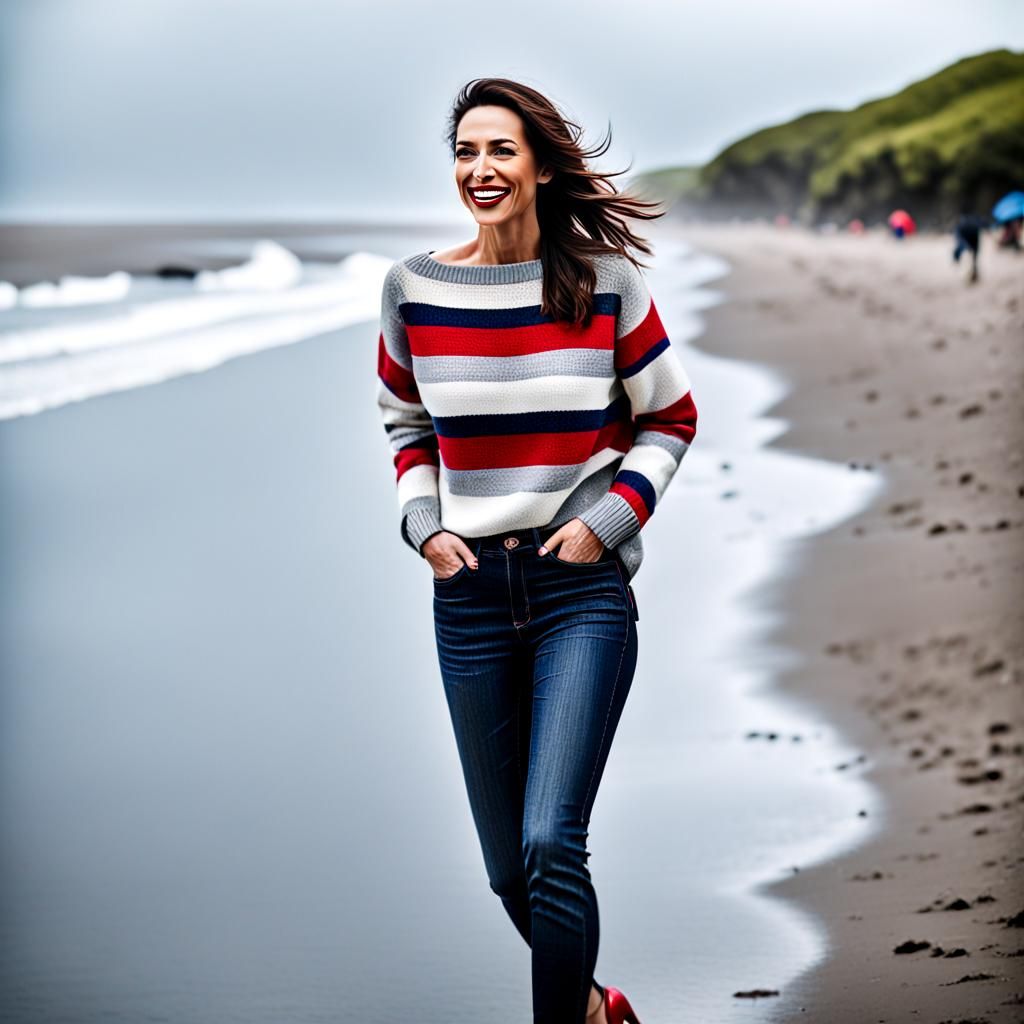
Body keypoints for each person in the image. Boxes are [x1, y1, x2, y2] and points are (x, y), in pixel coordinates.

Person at [375, 77, 697, 1024]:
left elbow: (671, 416)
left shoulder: (605, 285)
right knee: (506, 872)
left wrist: (608, 521)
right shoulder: (414, 288)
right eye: (466, 153)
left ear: (542, 166)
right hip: (468, 596)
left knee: (552, 841)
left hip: (578, 593)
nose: (480, 170)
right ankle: (600, 1010)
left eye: (501, 151)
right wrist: (425, 530)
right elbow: (405, 428)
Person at [953, 214, 984, 283]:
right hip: (973, 236)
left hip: (968, 238)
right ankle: (973, 273)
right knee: (974, 258)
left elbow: (958, 239)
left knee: (968, 256)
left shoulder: (960, 226)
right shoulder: (974, 223)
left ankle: (972, 274)